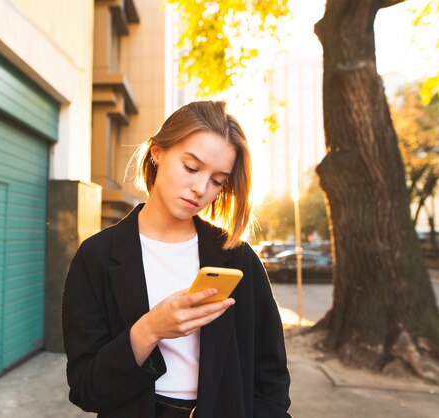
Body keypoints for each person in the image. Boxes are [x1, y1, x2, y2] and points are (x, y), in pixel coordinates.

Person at [62, 101, 291, 418]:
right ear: (157, 152)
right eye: (192, 167)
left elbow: (271, 377)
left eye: (217, 181)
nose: (200, 188)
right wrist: (149, 329)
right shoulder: (97, 256)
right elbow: (86, 389)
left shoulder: (237, 258)